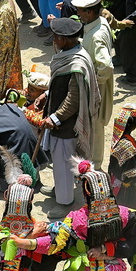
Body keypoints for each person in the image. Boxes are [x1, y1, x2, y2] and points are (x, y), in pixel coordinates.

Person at [41, 17, 100, 219]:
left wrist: (55, 118)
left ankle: (64, 202)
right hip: (60, 118)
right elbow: (60, 86)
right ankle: (60, 189)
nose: (53, 40)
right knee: (59, 162)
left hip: (67, 125)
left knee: (64, 162)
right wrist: (47, 95)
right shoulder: (67, 54)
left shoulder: (76, 63)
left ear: (65, 39)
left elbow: (74, 98)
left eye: (55, 37)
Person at [72, 0, 114, 167]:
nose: (78, 14)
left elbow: (106, 66)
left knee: (95, 126)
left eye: (80, 11)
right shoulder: (101, 23)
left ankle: (94, 165)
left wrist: (94, 84)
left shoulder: (96, 37)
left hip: (96, 88)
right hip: (97, 85)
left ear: (89, 12)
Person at [107, 104, 136, 207]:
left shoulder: (118, 139)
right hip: (126, 185)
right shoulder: (127, 146)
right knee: (128, 208)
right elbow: (134, 171)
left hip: (116, 179)